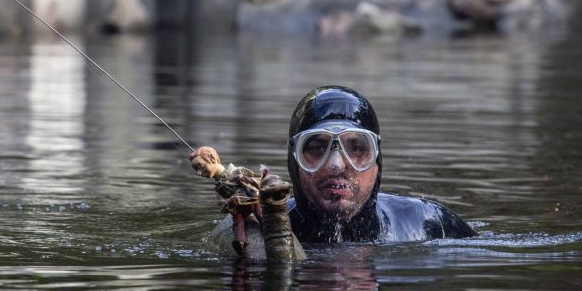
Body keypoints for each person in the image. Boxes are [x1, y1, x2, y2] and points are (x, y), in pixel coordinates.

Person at [190, 86, 475, 257]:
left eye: (356, 149)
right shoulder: (252, 228)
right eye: (316, 148)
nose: (338, 165)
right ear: (294, 160)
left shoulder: (429, 224)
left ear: (377, 161)